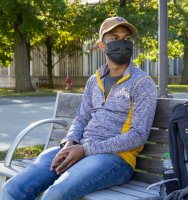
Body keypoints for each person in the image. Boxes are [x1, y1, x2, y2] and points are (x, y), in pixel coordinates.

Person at [2, 16, 158, 200]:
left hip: (116, 159)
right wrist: (70, 142)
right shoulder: (94, 81)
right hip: (80, 149)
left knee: (55, 194)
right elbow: (81, 118)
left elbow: (138, 136)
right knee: (13, 189)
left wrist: (86, 150)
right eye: (115, 38)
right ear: (102, 46)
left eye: (127, 38)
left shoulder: (142, 83)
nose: (122, 43)